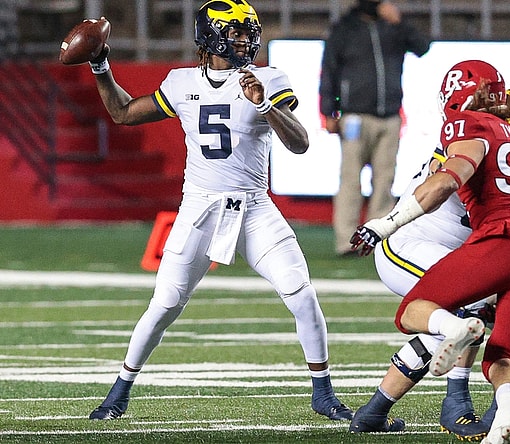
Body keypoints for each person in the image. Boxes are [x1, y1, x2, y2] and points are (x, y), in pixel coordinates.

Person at [82, 0, 352, 421]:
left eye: (249, 31)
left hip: (254, 207)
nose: (245, 39)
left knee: (301, 293)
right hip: (200, 208)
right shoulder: (181, 82)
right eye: (236, 31)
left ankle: (323, 393)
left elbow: (299, 143)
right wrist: (101, 64)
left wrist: (266, 106)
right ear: (209, 35)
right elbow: (122, 113)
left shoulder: (267, 78)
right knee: (166, 303)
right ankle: (119, 391)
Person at [350, 88, 510, 440]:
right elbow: (443, 179)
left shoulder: (491, 137)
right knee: (483, 323)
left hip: (496, 245)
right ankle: (460, 403)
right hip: (424, 242)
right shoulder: (493, 143)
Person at [319, 0, 431, 256]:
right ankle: (347, 240)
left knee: (384, 181)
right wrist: (328, 111)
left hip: (389, 116)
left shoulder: (393, 27)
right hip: (354, 117)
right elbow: (329, 71)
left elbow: (423, 47)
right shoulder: (345, 29)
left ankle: (380, 238)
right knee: (350, 180)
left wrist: (400, 22)